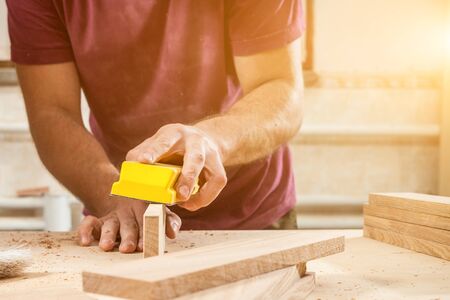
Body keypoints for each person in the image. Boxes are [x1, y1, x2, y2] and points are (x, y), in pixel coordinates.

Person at [6, 0, 305, 253]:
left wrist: (213, 141)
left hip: (252, 217)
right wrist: (111, 193)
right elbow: (52, 113)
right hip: (123, 218)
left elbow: (279, 88)